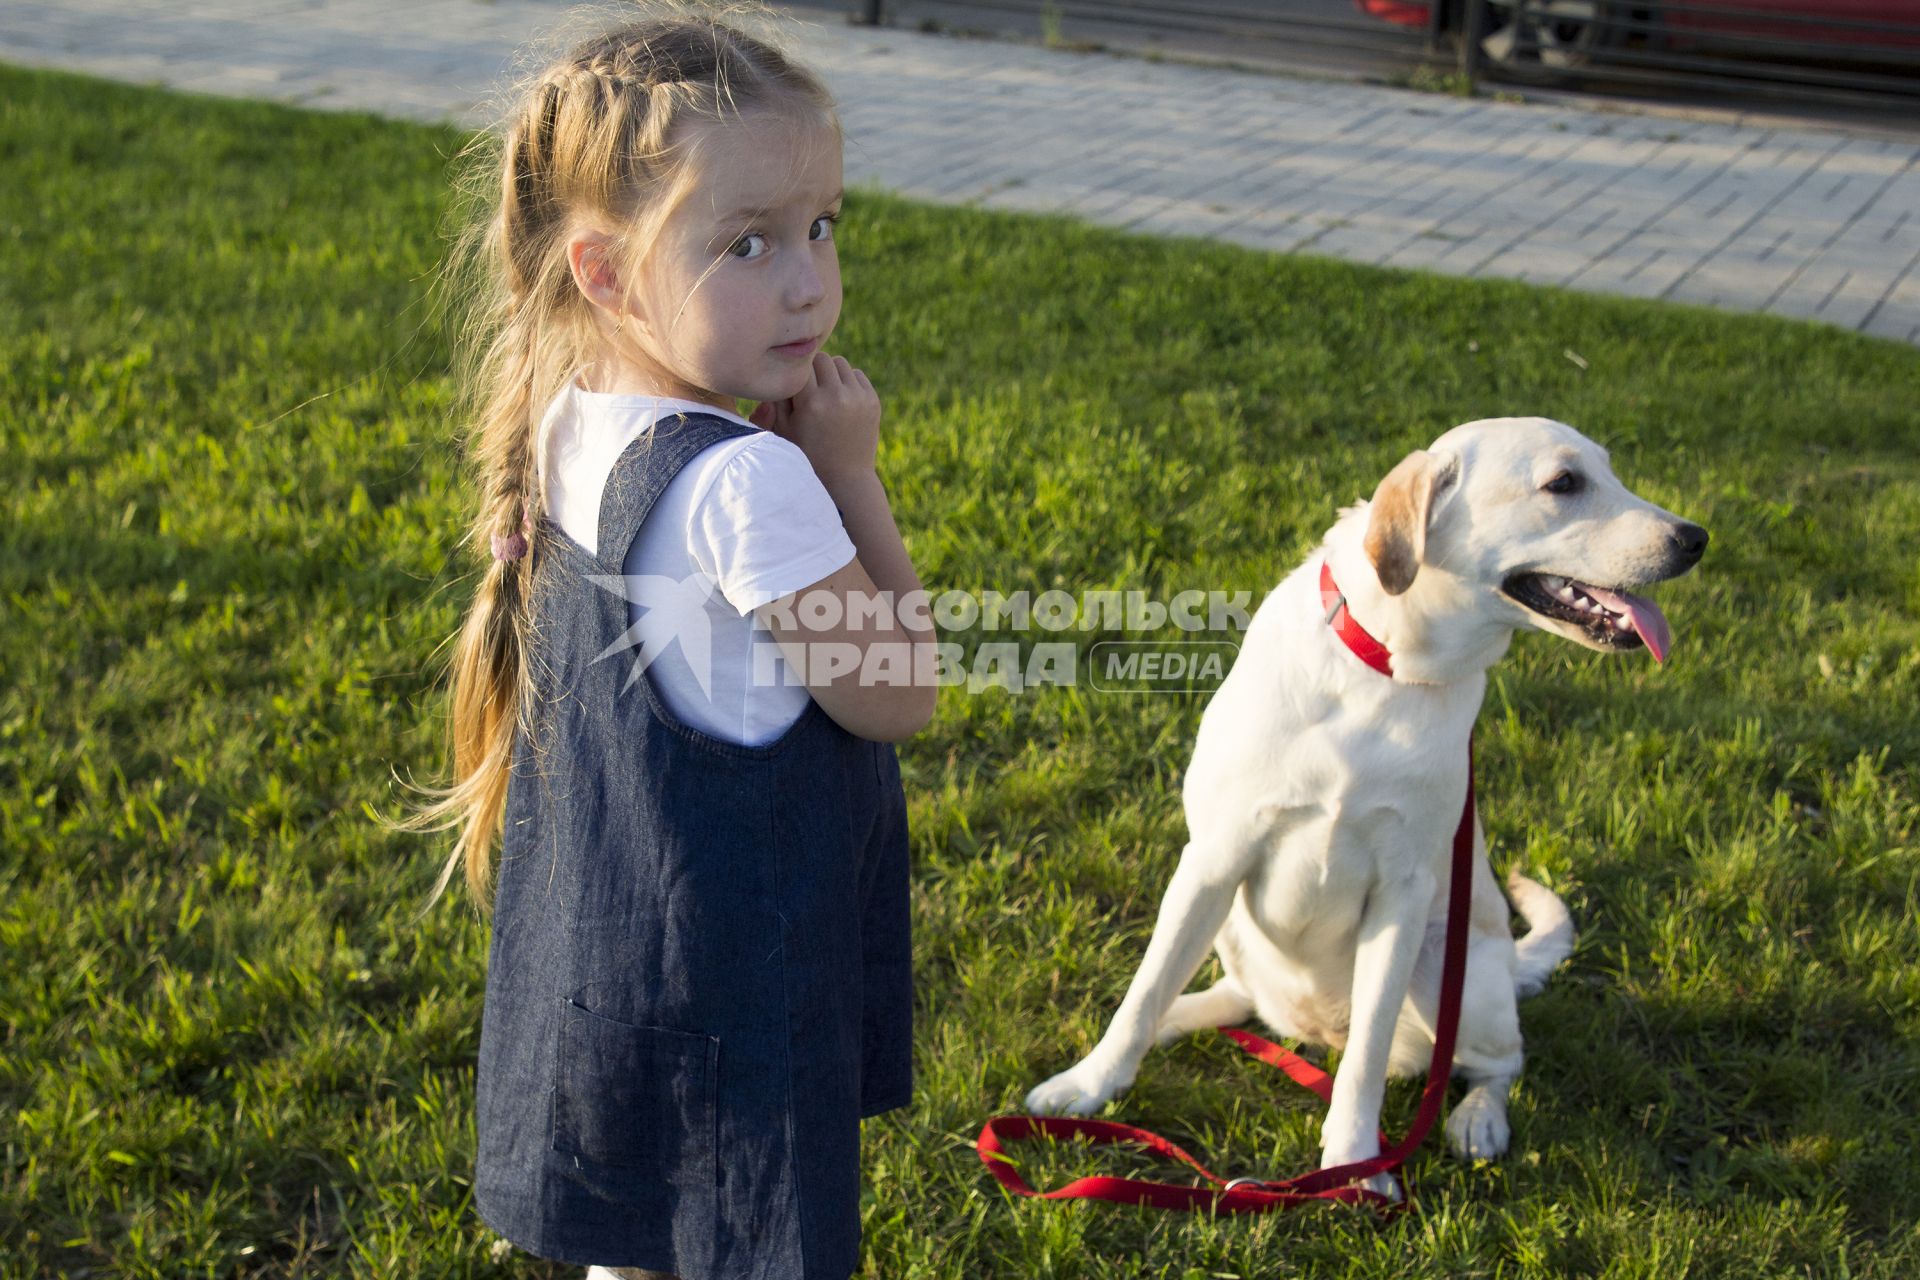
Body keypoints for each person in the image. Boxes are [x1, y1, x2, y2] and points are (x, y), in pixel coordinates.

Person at [393, 7, 937, 1276]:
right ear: (607, 273)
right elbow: (898, 691)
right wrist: (850, 475)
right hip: (736, 998)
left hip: (613, 957)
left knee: (637, 1234)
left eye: (822, 226)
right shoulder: (755, 485)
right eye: (746, 242)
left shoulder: (573, 422)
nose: (808, 278)